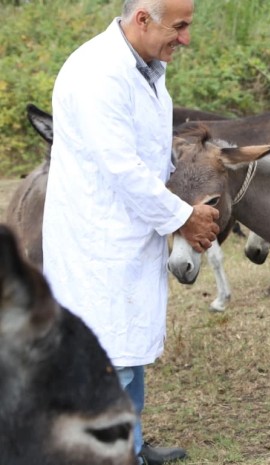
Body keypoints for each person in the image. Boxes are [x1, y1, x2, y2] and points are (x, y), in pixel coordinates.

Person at [41, 1, 219, 464]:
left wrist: (185, 202)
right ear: (143, 19)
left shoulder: (144, 70)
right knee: (108, 355)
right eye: (179, 27)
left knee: (128, 349)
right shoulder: (99, 73)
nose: (185, 38)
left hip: (128, 229)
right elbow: (122, 167)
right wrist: (182, 217)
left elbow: (150, 157)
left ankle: (131, 446)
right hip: (98, 236)